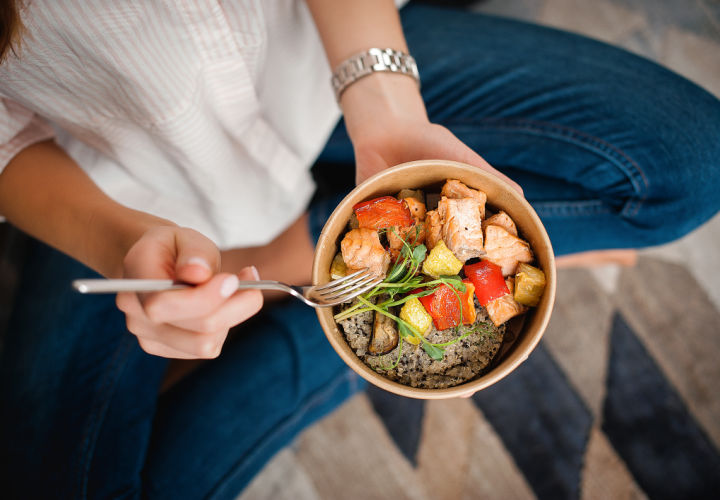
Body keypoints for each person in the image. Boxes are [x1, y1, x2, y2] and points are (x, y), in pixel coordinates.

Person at [1, 0, 718, 498]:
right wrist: (121, 242)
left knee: (695, 162)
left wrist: (389, 107)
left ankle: (307, 263)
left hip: (329, 62)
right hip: (120, 184)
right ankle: (336, 319)